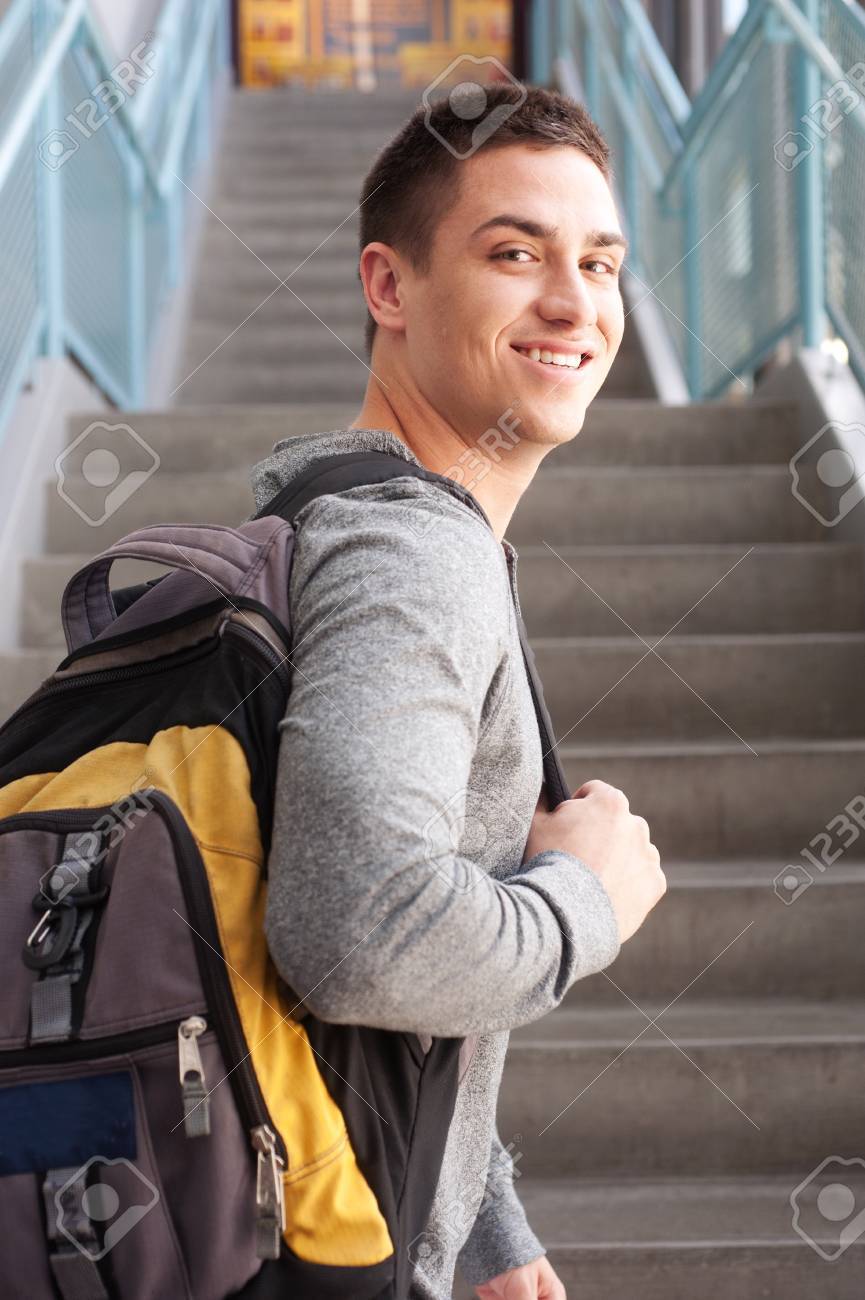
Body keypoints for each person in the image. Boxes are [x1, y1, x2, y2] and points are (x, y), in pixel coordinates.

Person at [252, 84, 666, 1300]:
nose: (573, 303)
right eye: (513, 253)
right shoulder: (413, 555)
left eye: (599, 261)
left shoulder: (318, 505)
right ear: (388, 287)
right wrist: (588, 896)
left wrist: (481, 1223)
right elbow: (355, 932)